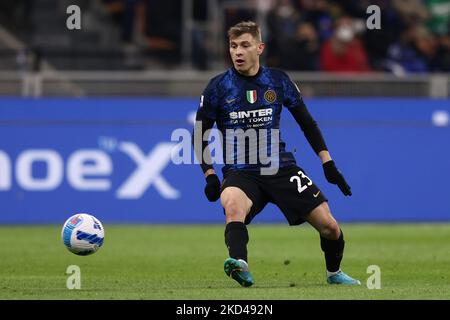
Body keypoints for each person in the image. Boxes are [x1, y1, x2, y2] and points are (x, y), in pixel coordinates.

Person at [193, 21, 360, 287]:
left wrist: (328, 163)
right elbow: (200, 133)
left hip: (280, 168)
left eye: (245, 45)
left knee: (329, 227)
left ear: (259, 48)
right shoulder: (217, 87)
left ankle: (334, 273)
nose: (238, 52)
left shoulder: (278, 81)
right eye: (233, 46)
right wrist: (210, 175)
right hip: (241, 172)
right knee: (233, 206)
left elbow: (307, 123)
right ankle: (240, 263)